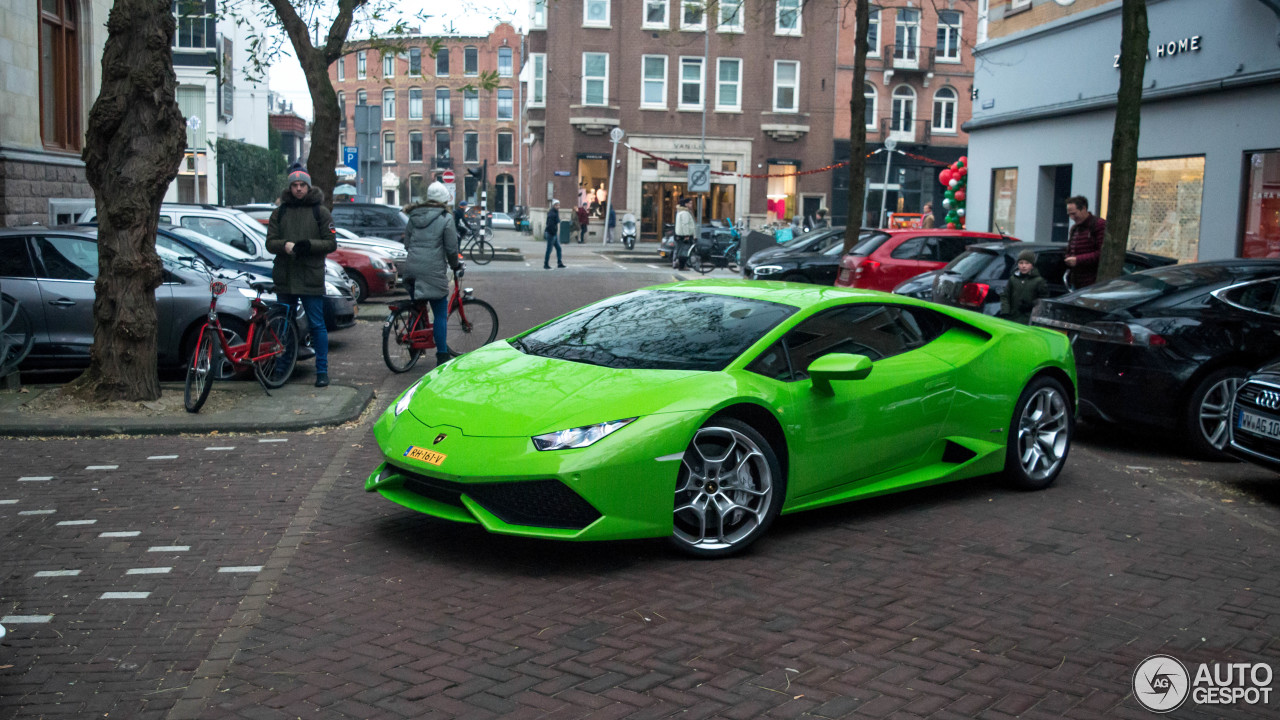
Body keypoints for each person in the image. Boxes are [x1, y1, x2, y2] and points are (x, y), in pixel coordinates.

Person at [266, 162, 337, 388]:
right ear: (290, 187)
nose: (298, 189)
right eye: (294, 185)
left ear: (308, 187)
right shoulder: (280, 212)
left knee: (317, 325)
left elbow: (331, 243)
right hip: (285, 276)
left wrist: (309, 245)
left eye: (302, 185)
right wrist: (283, 245)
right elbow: (269, 243)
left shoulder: (320, 212)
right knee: (283, 326)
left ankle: (322, 371)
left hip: (310, 276)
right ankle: (282, 369)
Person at [402, 182, 465, 368]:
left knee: (417, 306)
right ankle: (442, 354)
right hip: (433, 270)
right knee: (439, 313)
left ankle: (414, 345)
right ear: (445, 200)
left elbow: (407, 244)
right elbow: (451, 249)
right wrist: (454, 265)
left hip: (412, 268)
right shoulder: (445, 218)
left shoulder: (413, 216)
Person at [1065, 195, 1106, 288]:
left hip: (1092, 281)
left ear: (1083, 209)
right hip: (1076, 281)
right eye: (1069, 214)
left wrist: (1078, 260)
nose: (1072, 217)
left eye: (1074, 214)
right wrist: (1068, 258)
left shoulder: (1098, 225)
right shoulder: (1074, 229)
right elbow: (1070, 250)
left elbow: (1102, 253)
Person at [999, 249, 1049, 324]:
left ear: (1032, 265)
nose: (1023, 266)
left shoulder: (1039, 281)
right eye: (1021, 263)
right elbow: (1005, 296)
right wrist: (1005, 311)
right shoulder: (1013, 279)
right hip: (1012, 317)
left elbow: (1043, 299)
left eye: (1027, 263)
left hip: (1028, 319)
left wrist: (1031, 305)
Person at [673, 197, 696, 270]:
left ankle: (680, 265)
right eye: (690, 203)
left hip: (680, 235)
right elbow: (685, 224)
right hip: (684, 235)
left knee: (681, 250)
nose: (691, 205)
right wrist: (687, 235)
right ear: (686, 204)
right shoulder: (685, 213)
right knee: (684, 251)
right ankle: (682, 266)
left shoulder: (680, 212)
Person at [544, 199, 565, 269]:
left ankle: (559, 262)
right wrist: (553, 232)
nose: (558, 206)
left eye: (558, 205)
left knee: (558, 248)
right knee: (549, 249)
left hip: (553, 234)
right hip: (551, 234)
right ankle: (546, 264)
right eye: (556, 205)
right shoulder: (552, 213)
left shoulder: (555, 212)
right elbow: (549, 224)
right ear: (553, 205)